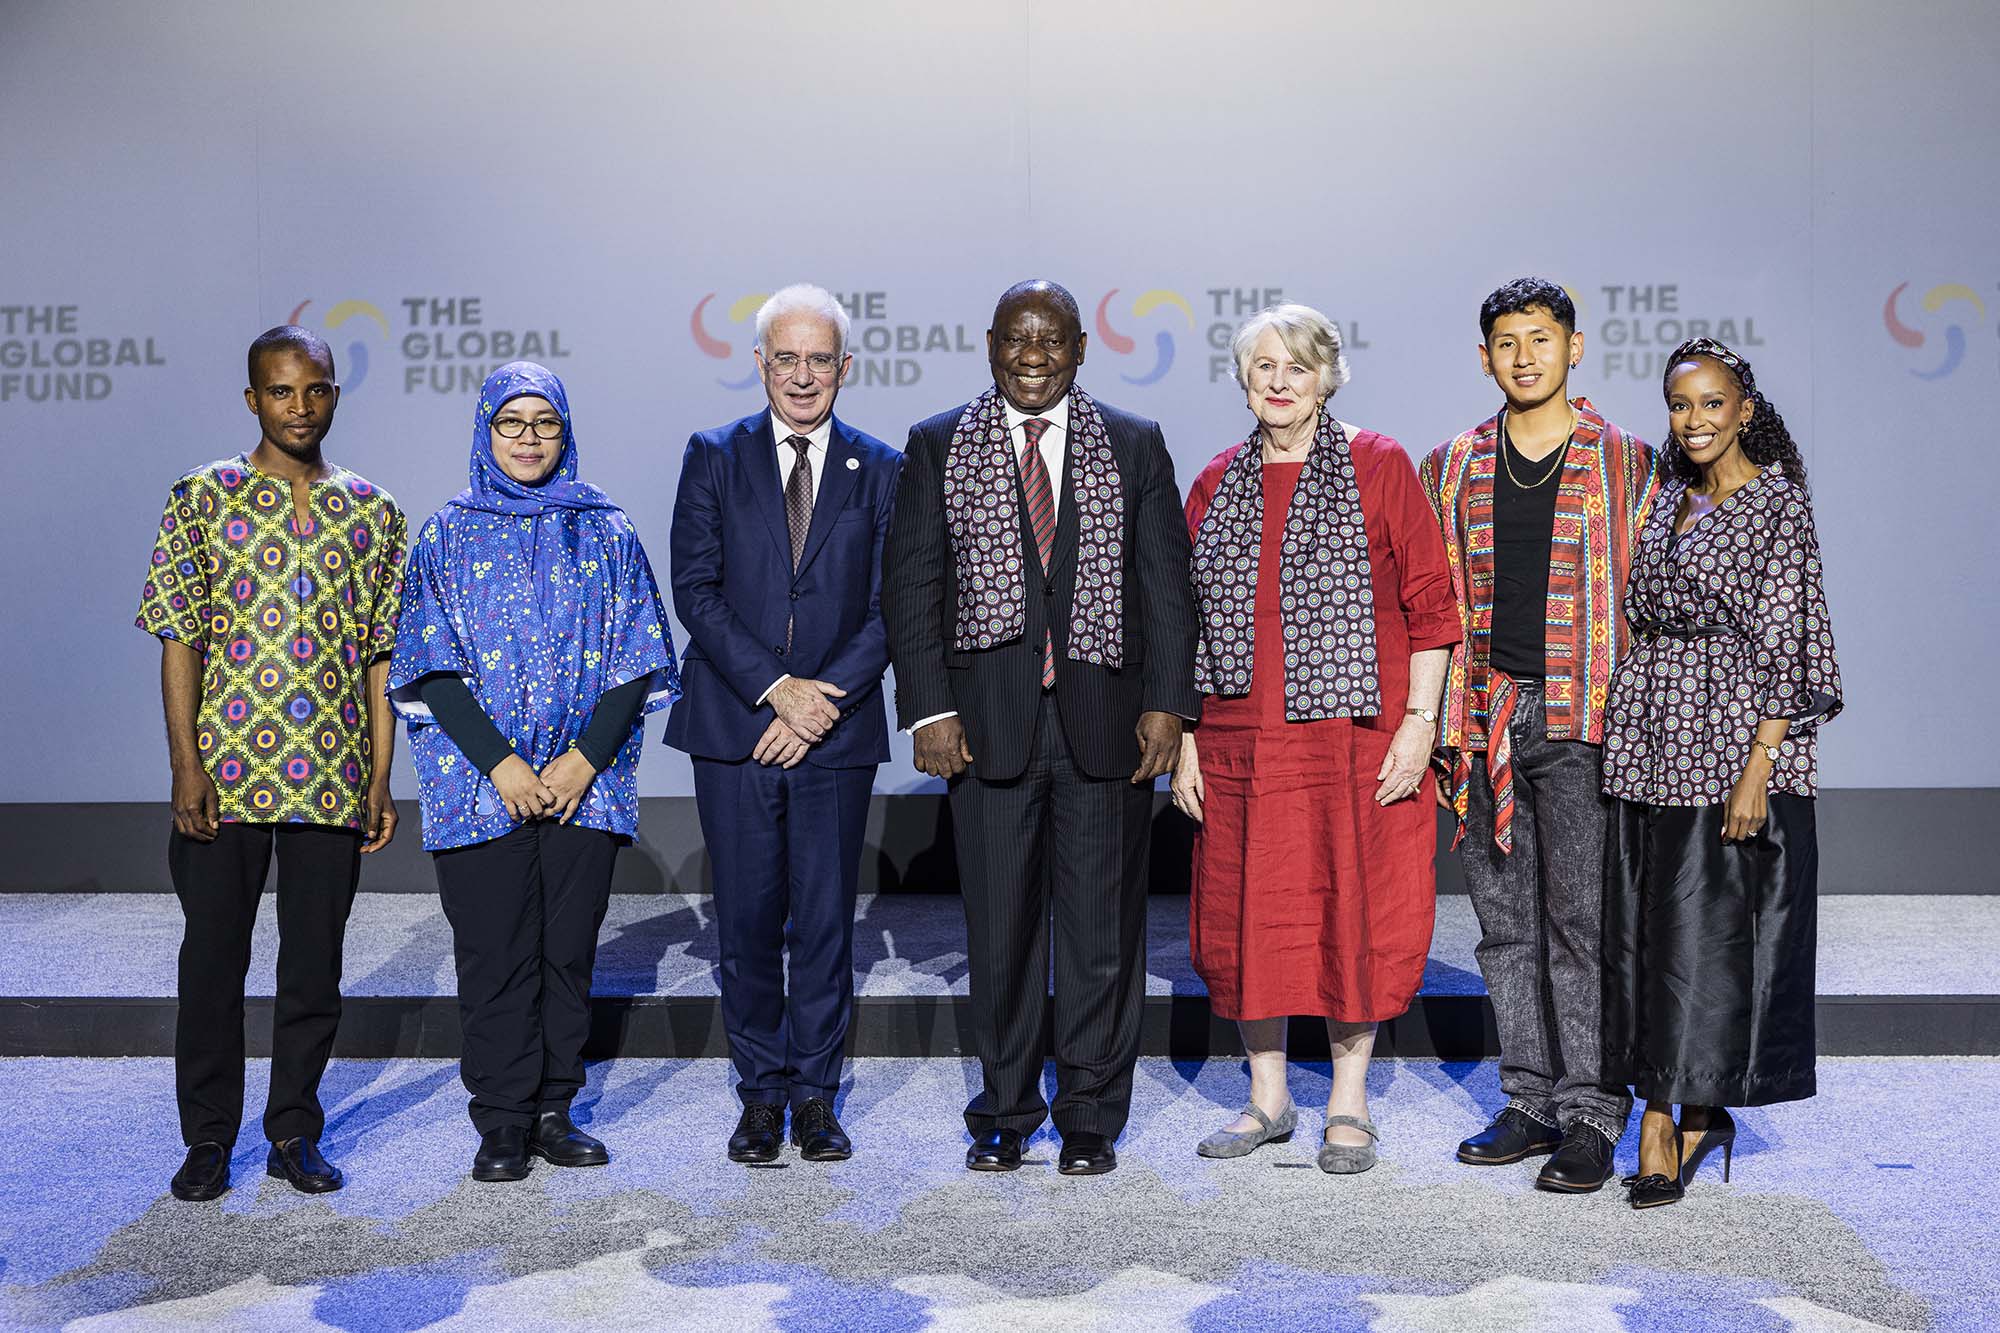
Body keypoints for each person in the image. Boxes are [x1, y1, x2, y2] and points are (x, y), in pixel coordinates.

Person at [881, 279, 1198, 1176]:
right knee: (1002, 931)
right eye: (1017, 340)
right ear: (989, 344)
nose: (1033, 356)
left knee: (1103, 936)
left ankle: (1091, 1115)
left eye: (1051, 341)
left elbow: (1167, 588)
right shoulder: (939, 443)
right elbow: (911, 586)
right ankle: (1007, 1111)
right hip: (984, 727)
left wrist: (1169, 703)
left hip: (1107, 723)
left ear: (1080, 349)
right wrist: (931, 706)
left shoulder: (1133, 444)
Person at [1173, 304, 1456, 1173]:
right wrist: (1184, 741)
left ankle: (1348, 1101)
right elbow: (1183, 626)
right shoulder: (1217, 481)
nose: (1279, 381)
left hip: (1354, 741)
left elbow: (1433, 611)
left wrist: (1420, 724)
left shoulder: (1379, 465)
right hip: (1239, 742)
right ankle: (1266, 1099)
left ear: (1327, 376)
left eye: (1296, 366)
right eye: (1263, 366)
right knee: (1248, 914)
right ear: (1243, 379)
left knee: (1350, 913)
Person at [388, 361, 679, 1182]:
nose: (528, 439)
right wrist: (505, 765)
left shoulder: (607, 527)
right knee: (494, 951)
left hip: (585, 781)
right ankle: (502, 1119)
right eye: (511, 423)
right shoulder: (446, 531)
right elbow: (430, 663)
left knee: (566, 951)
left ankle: (554, 1108)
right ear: (486, 431)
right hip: (481, 785)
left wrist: (583, 759)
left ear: (565, 431)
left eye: (544, 423)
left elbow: (635, 658)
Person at [137, 325, 405, 1201]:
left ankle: (294, 1128)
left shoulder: (373, 509)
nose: (301, 406)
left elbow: (379, 654)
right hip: (224, 773)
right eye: (282, 391)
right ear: (252, 399)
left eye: (316, 389)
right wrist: (185, 766)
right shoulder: (202, 497)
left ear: (335, 394)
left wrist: (378, 773)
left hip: (330, 773)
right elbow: (180, 637)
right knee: (212, 961)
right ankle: (208, 1139)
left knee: (313, 965)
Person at [1420, 278, 1660, 1193]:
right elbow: (1438, 607)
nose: (1525, 356)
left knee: (1582, 925)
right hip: (1488, 719)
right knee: (1503, 926)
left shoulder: (1627, 462)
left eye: (1541, 338)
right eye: (1507, 342)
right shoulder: (1453, 464)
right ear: (1485, 356)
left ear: (1576, 347)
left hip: (1587, 718)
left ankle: (1594, 1112)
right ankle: (1527, 1097)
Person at [1603, 338, 1841, 1209]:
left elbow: (1792, 636)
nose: (1695, 421)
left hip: (1731, 740)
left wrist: (1761, 764)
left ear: (1745, 408)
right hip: (1655, 737)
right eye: (1679, 404)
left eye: (1712, 403)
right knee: (1652, 932)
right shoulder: (1669, 497)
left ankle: (1676, 1118)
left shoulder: (1777, 502)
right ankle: (1665, 1100)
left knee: (1706, 939)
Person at [666, 284, 901, 1164]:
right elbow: (696, 587)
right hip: (735, 726)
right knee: (750, 920)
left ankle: (816, 1095)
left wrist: (819, 701)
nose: (803, 376)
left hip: (834, 732)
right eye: (787, 358)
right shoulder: (715, 455)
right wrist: (776, 689)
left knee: (826, 921)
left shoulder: (881, 466)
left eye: (819, 360)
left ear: (845, 367)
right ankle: (760, 1093)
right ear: (761, 364)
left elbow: (891, 606)